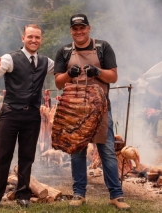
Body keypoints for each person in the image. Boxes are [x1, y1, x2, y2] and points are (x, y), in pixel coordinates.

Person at [54, 14, 130, 210]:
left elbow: (113, 76)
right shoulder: (63, 51)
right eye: (75, 28)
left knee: (107, 152)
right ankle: (79, 194)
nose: (79, 31)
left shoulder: (103, 47)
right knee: (77, 152)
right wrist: (68, 75)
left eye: (82, 27)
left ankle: (116, 195)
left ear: (88, 28)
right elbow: (58, 82)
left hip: (100, 110)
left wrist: (97, 72)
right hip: (74, 111)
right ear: (71, 30)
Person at [0, 24, 54, 209]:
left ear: (41, 39)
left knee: (27, 156)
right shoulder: (9, 58)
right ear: (23, 38)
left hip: (33, 115)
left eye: (37, 37)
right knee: (3, 156)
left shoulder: (46, 61)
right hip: (10, 114)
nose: (34, 40)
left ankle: (23, 195)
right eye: (30, 37)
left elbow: (63, 70)